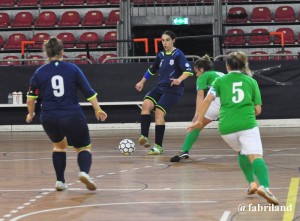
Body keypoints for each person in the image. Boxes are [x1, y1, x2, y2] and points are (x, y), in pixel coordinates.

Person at [187, 51, 279, 205]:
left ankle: (251, 183)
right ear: (243, 65)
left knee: (242, 152)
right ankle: (265, 187)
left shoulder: (219, 81)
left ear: (227, 66)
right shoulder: (251, 82)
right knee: (255, 156)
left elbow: (207, 100)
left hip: (226, 128)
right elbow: (258, 110)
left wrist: (198, 120)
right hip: (246, 124)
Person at [26, 37, 107, 191]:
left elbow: (31, 99)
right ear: (62, 51)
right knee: (84, 147)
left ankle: (60, 181)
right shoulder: (73, 69)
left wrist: (30, 114)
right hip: (71, 114)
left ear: (46, 53)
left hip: (49, 117)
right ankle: (83, 172)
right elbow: (89, 93)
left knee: (59, 146)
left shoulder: (39, 72)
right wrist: (98, 109)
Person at [135, 30, 193, 155]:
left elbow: (188, 70)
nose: (164, 43)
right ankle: (144, 137)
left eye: (167, 40)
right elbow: (152, 69)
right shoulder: (161, 55)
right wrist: (141, 82)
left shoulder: (178, 54)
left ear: (173, 40)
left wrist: (179, 79)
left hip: (173, 89)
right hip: (160, 87)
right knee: (146, 105)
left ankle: (158, 146)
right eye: (163, 40)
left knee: (159, 112)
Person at [170, 55, 224, 162]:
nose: (196, 74)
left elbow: (200, 95)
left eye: (197, 72)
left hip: (217, 101)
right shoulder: (220, 74)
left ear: (202, 70)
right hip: (229, 102)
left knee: (197, 125)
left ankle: (184, 151)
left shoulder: (203, 76)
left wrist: (197, 114)